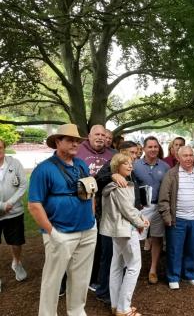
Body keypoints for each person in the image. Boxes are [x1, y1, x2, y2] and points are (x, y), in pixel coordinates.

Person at [28, 124, 97, 316]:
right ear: (58, 142)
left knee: (81, 277)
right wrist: (51, 232)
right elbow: (34, 205)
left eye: (77, 140)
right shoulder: (44, 169)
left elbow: (91, 192)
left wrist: (91, 218)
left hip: (87, 230)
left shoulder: (81, 164)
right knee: (53, 279)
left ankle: (76, 311)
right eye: (70, 140)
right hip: (60, 232)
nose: (75, 144)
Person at [100, 153, 150, 316]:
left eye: (131, 164)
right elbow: (127, 210)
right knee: (134, 266)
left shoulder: (112, 185)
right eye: (126, 164)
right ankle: (124, 308)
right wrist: (141, 222)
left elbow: (128, 207)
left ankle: (116, 305)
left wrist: (140, 216)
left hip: (117, 230)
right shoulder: (121, 185)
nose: (131, 166)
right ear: (117, 167)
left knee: (116, 264)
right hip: (126, 230)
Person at [157, 146, 194, 289]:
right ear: (178, 157)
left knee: (193, 249)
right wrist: (167, 217)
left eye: (190, 155)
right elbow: (163, 198)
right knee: (175, 249)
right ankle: (173, 277)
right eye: (185, 155)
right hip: (177, 219)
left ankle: (190, 274)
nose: (188, 158)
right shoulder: (171, 174)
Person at [94, 141, 140, 306]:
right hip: (115, 221)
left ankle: (114, 299)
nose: (134, 157)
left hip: (123, 221)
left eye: (135, 153)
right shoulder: (112, 167)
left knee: (117, 261)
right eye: (131, 153)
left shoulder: (128, 168)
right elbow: (98, 179)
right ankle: (105, 292)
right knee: (111, 258)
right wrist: (112, 175)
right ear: (120, 153)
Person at [76, 124, 114, 291]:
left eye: (102, 135)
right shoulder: (78, 151)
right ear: (88, 136)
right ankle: (68, 280)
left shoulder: (112, 154)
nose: (100, 137)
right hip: (79, 203)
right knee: (76, 243)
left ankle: (93, 278)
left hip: (104, 206)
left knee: (98, 243)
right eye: (96, 134)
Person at [133, 136, 170, 285]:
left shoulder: (165, 166)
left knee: (157, 238)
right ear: (144, 148)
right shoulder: (135, 165)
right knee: (136, 239)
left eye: (156, 146)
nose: (153, 149)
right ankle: (134, 268)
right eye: (150, 147)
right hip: (141, 208)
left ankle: (153, 269)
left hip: (158, 207)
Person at [0, 138, 28, 283]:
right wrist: (1, 206)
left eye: (0, 148)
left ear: (4, 148)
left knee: (16, 242)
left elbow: (23, 185)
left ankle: (16, 263)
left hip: (14, 211)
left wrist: (9, 203)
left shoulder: (14, 163)